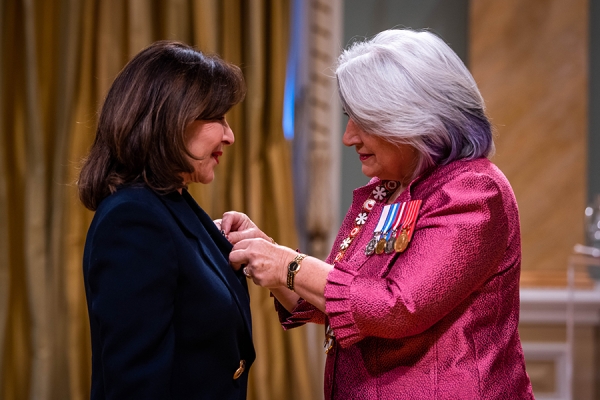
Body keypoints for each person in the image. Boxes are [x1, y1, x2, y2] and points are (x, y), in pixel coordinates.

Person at [220, 29, 534, 399]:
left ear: (415, 118)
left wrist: (288, 264)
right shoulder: (389, 191)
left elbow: (396, 306)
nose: (348, 137)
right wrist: (267, 257)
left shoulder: (474, 190)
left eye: (364, 120)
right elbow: (344, 300)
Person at [78, 40, 255, 400]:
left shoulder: (173, 204)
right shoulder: (133, 221)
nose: (229, 135)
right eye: (217, 118)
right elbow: (135, 387)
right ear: (171, 119)